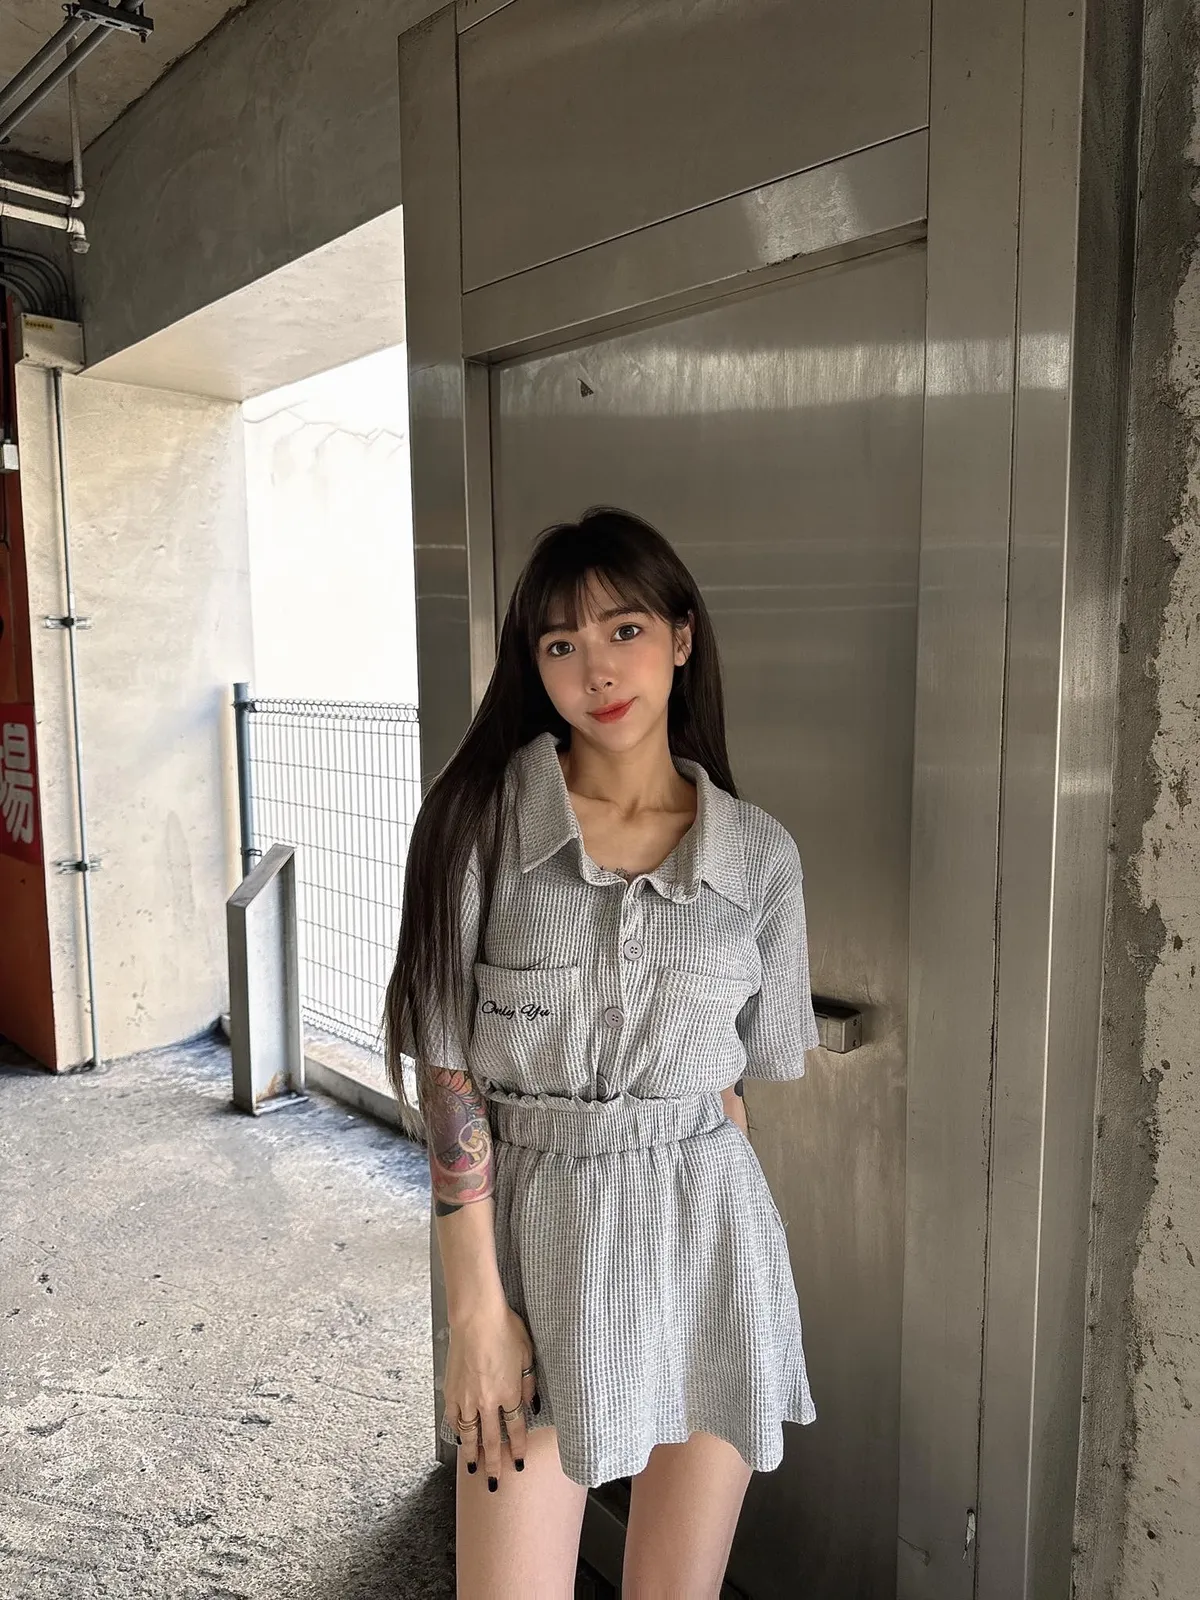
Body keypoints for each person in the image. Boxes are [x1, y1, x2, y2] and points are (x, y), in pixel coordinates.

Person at [385, 506, 819, 1597]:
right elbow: (449, 1078)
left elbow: (739, 1077)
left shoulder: (761, 857)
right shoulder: (479, 828)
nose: (598, 670)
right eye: (561, 643)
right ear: (534, 667)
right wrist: (475, 1312)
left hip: (706, 1253)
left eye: (625, 630)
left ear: (682, 637)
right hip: (534, 1253)